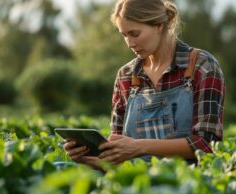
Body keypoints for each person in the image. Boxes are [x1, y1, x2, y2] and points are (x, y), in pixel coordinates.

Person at [63, 0, 225, 169]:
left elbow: (207, 144)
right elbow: (118, 148)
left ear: (159, 26)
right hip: (135, 185)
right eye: (124, 35)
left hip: (188, 183)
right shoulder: (125, 76)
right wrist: (90, 157)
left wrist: (138, 146)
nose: (130, 43)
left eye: (135, 33)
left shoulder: (202, 66)